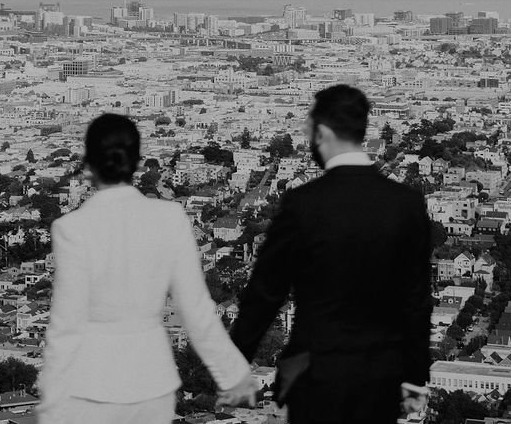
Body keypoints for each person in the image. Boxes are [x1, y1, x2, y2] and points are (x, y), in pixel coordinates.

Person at [231, 84, 433, 424]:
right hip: (379, 376)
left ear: (323, 132)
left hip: (316, 375)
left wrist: (234, 366)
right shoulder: (406, 204)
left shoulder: (303, 203)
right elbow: (417, 300)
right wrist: (414, 375)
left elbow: (265, 292)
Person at [41, 113, 259, 424]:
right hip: (152, 380)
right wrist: (234, 374)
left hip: (94, 383)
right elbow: (197, 310)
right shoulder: (169, 217)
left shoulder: (71, 228)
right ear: (138, 162)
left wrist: (51, 406)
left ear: (89, 163)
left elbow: (65, 326)